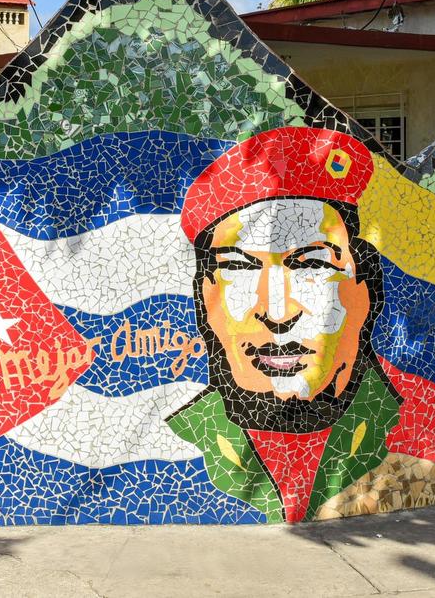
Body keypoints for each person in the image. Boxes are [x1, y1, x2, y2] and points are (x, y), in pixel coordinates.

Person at [168, 126, 400, 522]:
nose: (277, 313)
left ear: (364, 290)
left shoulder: (413, 436)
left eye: (312, 264)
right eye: (238, 267)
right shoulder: (178, 439)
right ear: (204, 300)